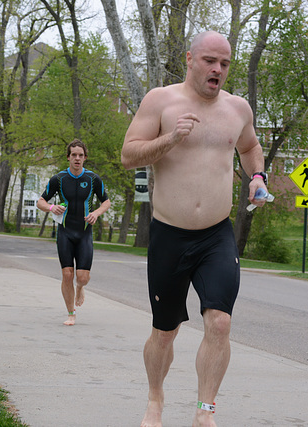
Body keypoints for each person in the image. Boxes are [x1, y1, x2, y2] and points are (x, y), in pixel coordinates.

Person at [121, 31, 270, 427]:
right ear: (190, 59)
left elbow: (250, 148)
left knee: (220, 321)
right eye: (209, 61)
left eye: (224, 63)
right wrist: (170, 138)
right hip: (169, 233)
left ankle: (205, 412)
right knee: (164, 332)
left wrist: (257, 177)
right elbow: (128, 153)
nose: (217, 70)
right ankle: (155, 399)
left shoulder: (238, 109)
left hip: (216, 234)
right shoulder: (161, 100)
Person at [37, 139, 111, 326]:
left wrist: (96, 213)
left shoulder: (93, 179)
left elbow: (106, 202)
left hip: (85, 232)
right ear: (68, 157)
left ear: (85, 157)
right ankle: (71, 313)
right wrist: (51, 207)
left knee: (82, 277)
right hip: (65, 232)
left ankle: (80, 287)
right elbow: (40, 202)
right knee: (67, 274)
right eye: (73, 155)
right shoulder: (58, 179)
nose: (77, 158)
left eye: (80, 155)